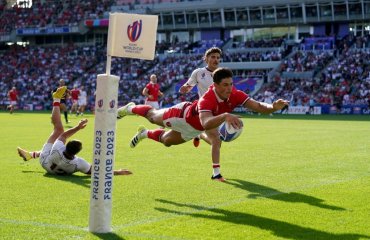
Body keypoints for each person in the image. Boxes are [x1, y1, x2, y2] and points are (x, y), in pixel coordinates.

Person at [117, 67, 289, 182]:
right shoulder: (207, 98)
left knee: (166, 142)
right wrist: (225, 115)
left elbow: (258, 106)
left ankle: (144, 134)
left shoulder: (235, 94)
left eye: (231, 84)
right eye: (225, 85)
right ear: (215, 85)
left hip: (193, 129)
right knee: (152, 116)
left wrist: (272, 107)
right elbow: (206, 123)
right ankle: (130, 108)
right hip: (181, 116)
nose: (229, 88)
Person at [17, 86, 132, 176]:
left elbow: (63, 134)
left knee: (58, 129)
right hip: (53, 169)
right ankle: (30, 155)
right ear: (77, 152)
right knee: (56, 136)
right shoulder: (78, 163)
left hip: (45, 162)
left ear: (65, 146)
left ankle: (56, 99)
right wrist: (118, 172)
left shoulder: (57, 148)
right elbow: (94, 172)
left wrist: (78, 127)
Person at [179, 47, 222, 147]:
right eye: (213, 57)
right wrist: (185, 88)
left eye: (218, 57)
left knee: (217, 141)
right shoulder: (198, 72)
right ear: (206, 59)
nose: (216, 60)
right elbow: (189, 85)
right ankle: (200, 134)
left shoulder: (223, 74)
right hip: (204, 109)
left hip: (218, 110)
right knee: (216, 143)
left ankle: (198, 133)